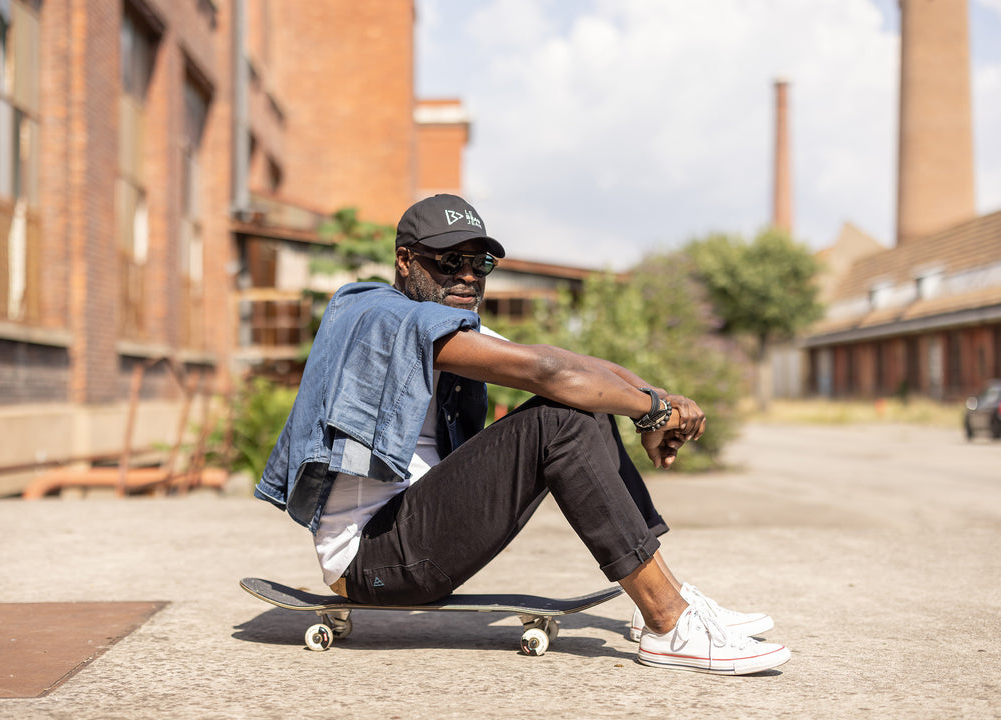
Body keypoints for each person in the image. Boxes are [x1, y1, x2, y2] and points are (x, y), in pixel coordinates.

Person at [256, 194, 790, 675]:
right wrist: (653, 411)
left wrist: (660, 401)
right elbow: (550, 374)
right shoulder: (383, 317)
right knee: (561, 417)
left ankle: (667, 599)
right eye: (450, 261)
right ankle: (668, 621)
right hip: (374, 560)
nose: (468, 276)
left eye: (480, 263)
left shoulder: (439, 321)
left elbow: (575, 365)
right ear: (405, 260)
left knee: (581, 406)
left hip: (411, 534)